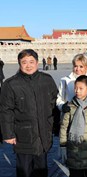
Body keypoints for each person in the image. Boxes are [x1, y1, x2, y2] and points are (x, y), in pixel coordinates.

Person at [0, 49, 58, 177]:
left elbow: (54, 104)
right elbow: (5, 111)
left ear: (37, 63)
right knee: (24, 170)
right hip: (23, 135)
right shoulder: (10, 84)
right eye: (24, 62)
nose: (28, 65)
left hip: (43, 134)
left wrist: (55, 127)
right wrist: (8, 134)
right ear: (19, 64)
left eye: (32, 62)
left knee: (41, 168)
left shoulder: (47, 80)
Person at [59, 75, 87, 177]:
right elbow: (64, 127)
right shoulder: (70, 106)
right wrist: (63, 146)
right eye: (75, 88)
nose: (77, 91)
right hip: (73, 149)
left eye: (80, 88)